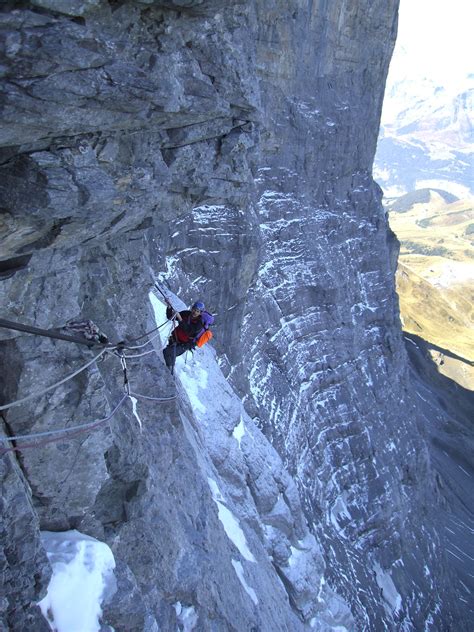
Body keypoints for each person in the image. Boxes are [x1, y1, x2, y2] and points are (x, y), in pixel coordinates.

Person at [163, 300, 211, 373]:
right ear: (192, 308)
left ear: (200, 313)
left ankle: (169, 373)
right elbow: (170, 317)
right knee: (170, 354)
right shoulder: (186, 314)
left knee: (168, 352)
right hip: (175, 339)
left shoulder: (199, 323)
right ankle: (169, 371)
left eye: (197, 311)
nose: (195, 312)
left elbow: (189, 331)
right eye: (194, 310)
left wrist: (181, 319)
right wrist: (169, 307)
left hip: (185, 344)